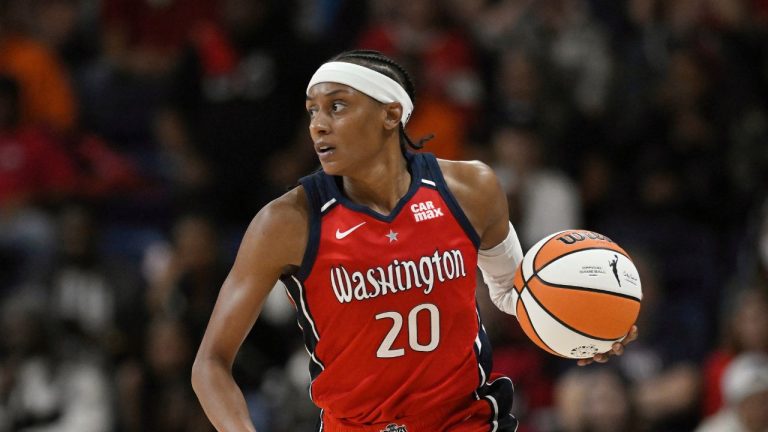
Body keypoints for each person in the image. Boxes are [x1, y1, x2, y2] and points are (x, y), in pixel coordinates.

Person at [191, 49, 637, 431]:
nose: (318, 125)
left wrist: (581, 321)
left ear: (391, 114)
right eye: (312, 110)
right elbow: (210, 363)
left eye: (337, 106)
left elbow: (509, 290)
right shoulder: (285, 222)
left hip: (464, 420)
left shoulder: (471, 188)